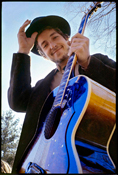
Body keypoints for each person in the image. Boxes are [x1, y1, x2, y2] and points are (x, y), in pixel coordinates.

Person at [8, 15, 116, 173]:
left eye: (55, 37)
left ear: (68, 39)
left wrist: (87, 62)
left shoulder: (96, 61)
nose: (52, 45)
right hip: (41, 166)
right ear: (44, 55)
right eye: (44, 44)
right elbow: (17, 102)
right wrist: (23, 52)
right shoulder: (42, 87)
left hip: (97, 163)